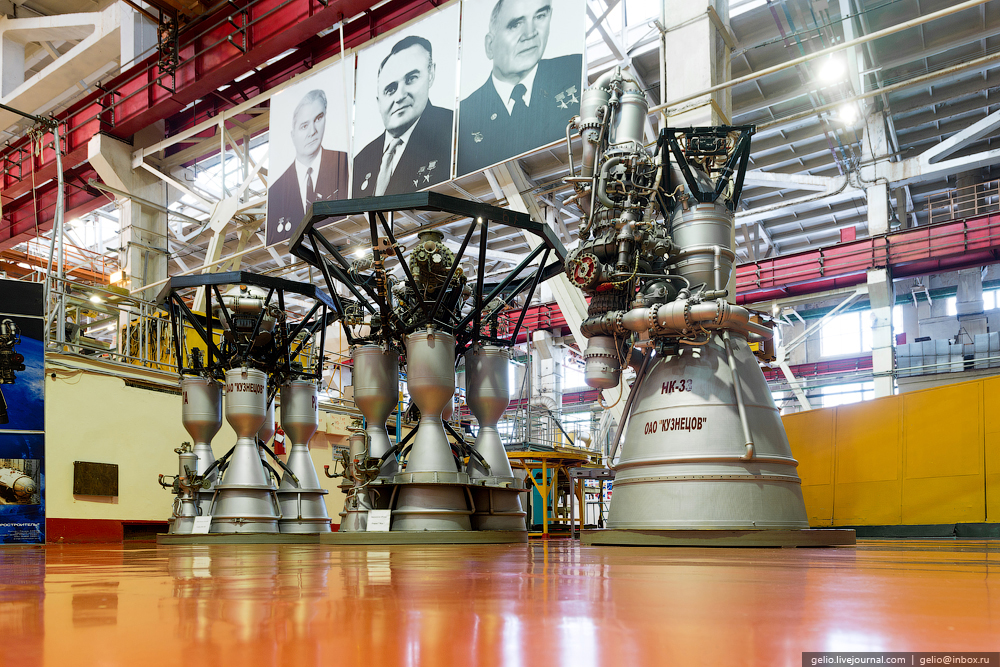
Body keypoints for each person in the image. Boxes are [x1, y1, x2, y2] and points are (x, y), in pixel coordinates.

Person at [457, 0, 582, 176]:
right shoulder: (466, 113)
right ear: (490, 45)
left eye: (540, 16)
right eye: (515, 24)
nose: (530, 33)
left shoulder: (575, 70)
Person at [352, 35, 453, 198]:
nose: (399, 96)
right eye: (390, 89)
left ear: (431, 74)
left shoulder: (454, 131)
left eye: (411, 79)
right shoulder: (360, 162)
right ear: (379, 102)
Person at [267, 89, 349, 244]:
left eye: (318, 119)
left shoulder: (346, 164)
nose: (313, 131)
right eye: (304, 126)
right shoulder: (276, 191)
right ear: (292, 135)